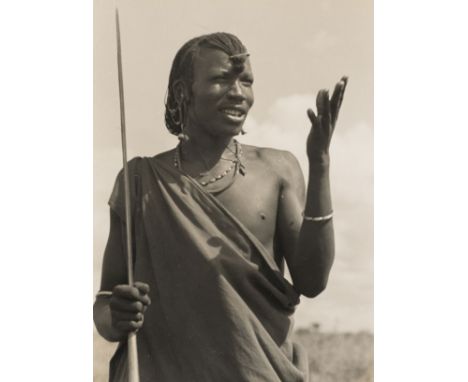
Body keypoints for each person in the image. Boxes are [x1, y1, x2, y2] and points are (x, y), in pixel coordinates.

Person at [94, 32, 347, 381]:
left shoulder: (278, 170)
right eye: (220, 80)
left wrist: (319, 164)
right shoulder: (140, 182)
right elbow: (106, 304)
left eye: (246, 81)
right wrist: (118, 315)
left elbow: (313, 280)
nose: (238, 93)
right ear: (184, 92)